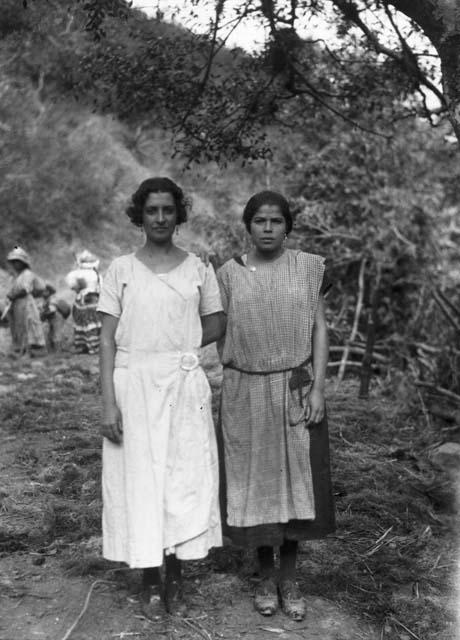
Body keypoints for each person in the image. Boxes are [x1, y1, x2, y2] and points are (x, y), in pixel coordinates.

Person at [97, 177, 226, 615]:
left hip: (182, 386)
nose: (159, 218)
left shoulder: (197, 268)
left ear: (178, 214)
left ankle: (177, 577)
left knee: (181, 479)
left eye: (167, 210)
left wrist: (181, 348)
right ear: (140, 215)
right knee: (141, 481)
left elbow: (216, 322)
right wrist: (108, 403)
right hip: (133, 386)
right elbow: (107, 340)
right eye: (151, 210)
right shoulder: (120, 270)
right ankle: (150, 579)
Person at [216, 191, 335, 622]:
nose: (268, 228)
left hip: (295, 387)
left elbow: (320, 329)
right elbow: (213, 327)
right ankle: (265, 577)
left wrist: (319, 388)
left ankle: (290, 577)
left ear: (288, 226)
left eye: (276, 221)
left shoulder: (307, 268)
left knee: (295, 486)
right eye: (259, 221)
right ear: (247, 226)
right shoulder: (228, 274)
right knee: (258, 485)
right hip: (245, 390)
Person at [4, 246, 46, 356]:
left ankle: (29, 351)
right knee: (18, 326)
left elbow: (24, 289)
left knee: (28, 325)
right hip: (17, 304)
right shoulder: (17, 276)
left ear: (23, 262)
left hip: (25, 303)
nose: (15, 264)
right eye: (13, 262)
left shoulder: (28, 274)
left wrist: (12, 295)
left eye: (17, 262)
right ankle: (20, 350)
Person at [66, 250, 102, 354]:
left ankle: (83, 346)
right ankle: (95, 346)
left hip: (83, 301)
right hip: (95, 300)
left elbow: (73, 286)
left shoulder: (77, 274)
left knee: (82, 323)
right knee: (95, 323)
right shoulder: (97, 274)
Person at [40, 284, 70, 352]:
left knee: (57, 333)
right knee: (51, 333)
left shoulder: (52, 299)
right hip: (52, 319)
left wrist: (43, 315)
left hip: (56, 317)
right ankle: (54, 349)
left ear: (48, 291)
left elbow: (52, 310)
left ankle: (58, 350)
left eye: (44, 291)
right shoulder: (46, 300)